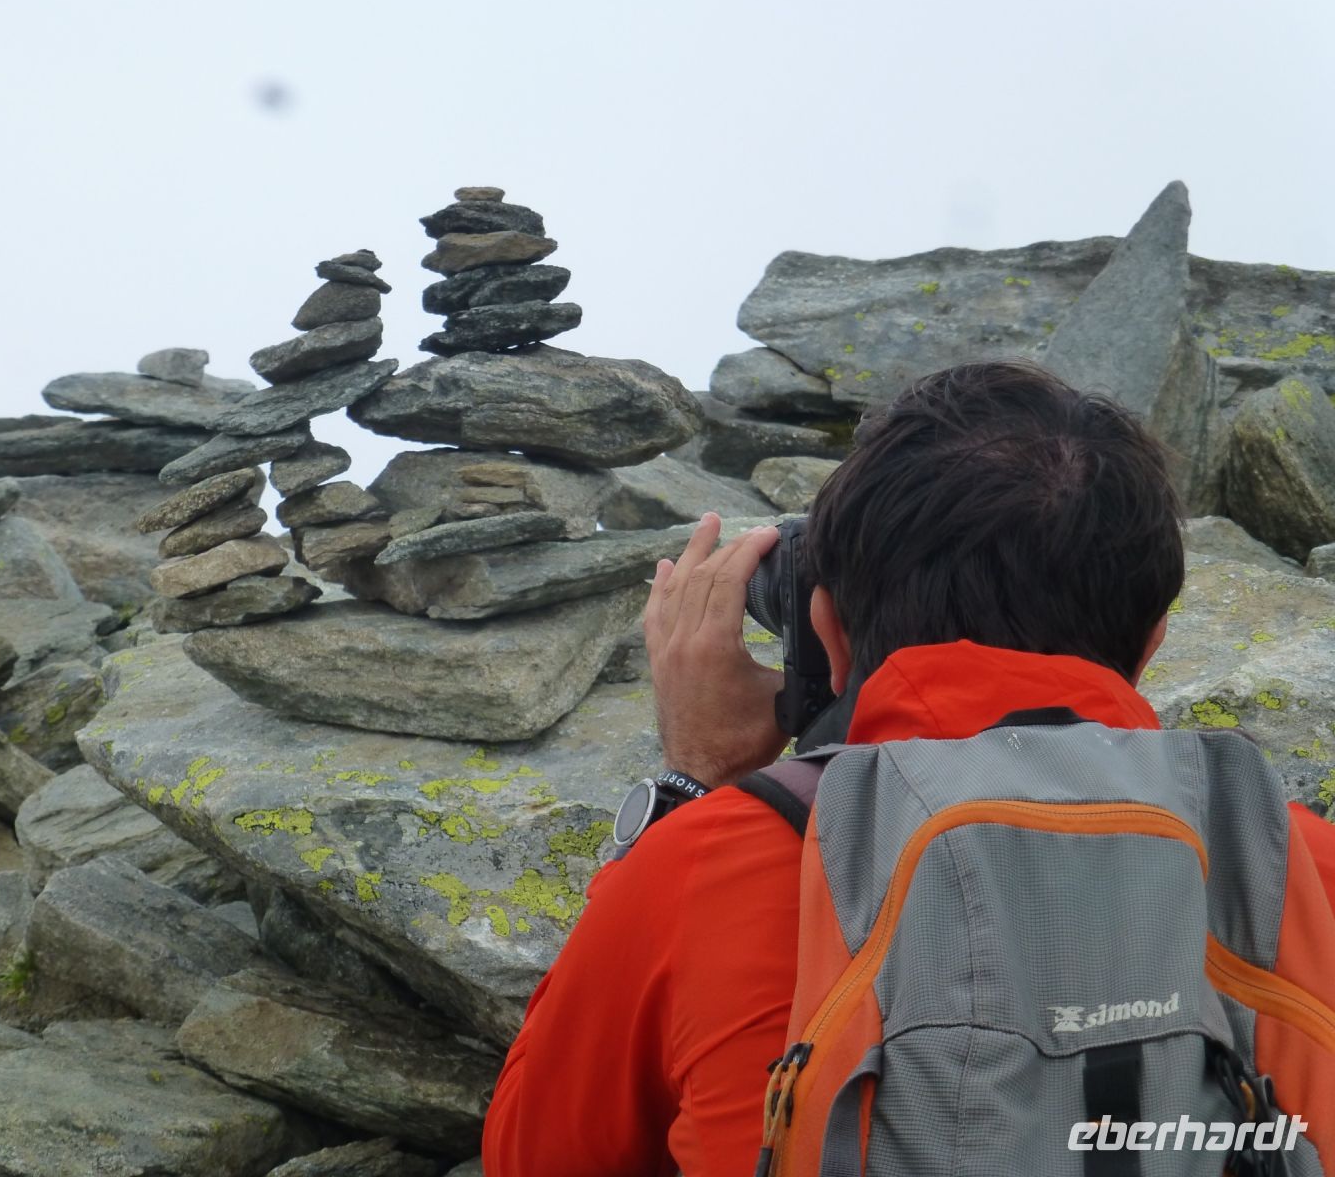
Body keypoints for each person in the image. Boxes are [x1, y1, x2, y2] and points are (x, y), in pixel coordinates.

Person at [480, 360, 1335, 1177]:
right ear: (1148, 646)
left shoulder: (712, 861)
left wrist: (694, 775)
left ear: (828, 632)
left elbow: (534, 1155)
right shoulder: (1302, 865)